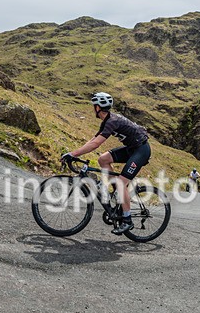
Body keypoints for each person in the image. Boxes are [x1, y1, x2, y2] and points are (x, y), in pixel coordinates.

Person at [62, 92, 151, 235]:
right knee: (103, 159)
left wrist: (74, 154)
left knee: (122, 182)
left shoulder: (112, 121)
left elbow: (96, 144)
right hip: (131, 149)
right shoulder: (107, 120)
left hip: (141, 150)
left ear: (98, 107)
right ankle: (116, 193)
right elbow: (93, 139)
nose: (93, 108)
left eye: (94, 106)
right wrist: (74, 152)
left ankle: (127, 221)